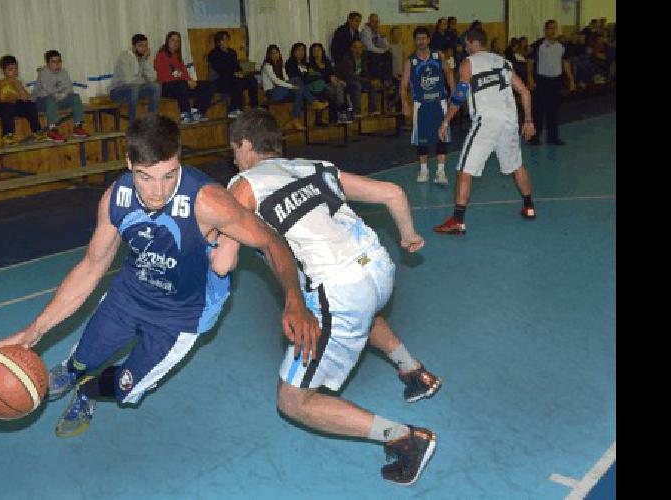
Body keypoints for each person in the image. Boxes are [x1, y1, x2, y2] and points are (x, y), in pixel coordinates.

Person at [0, 114, 320, 439]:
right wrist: (32, 333)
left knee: (126, 386)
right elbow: (91, 267)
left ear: (179, 161)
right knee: (84, 357)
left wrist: (294, 297)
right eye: (146, 176)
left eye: (169, 175)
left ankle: (89, 391)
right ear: (129, 164)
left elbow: (271, 241)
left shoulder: (209, 202)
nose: (158, 191)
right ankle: (74, 370)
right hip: (128, 296)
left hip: (182, 317)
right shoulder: (117, 199)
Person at [217, 109, 442, 486]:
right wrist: (407, 237)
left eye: (234, 151)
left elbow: (223, 262)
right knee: (363, 312)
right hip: (379, 266)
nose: (234, 159)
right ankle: (414, 372)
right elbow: (393, 193)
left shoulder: (243, 185)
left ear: (246, 146)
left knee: (294, 400)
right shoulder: (316, 166)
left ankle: (404, 439)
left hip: (338, 286)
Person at [433, 28, 537, 236]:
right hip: (509, 121)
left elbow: (460, 95)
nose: (464, 47)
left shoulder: (468, 63)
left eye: (466, 44)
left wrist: (445, 121)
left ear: (472, 43)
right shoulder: (503, 62)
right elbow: (525, 91)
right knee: (516, 165)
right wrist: (528, 120)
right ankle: (529, 206)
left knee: (465, 169)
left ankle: (458, 221)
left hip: (486, 122)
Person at [399, 27, 455, 185]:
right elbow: (403, 85)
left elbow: (449, 73)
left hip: (440, 103)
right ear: (415, 41)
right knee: (421, 139)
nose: (421, 41)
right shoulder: (411, 61)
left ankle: (441, 171)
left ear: (429, 40)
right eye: (418, 38)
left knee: (441, 136)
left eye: (424, 38)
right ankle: (423, 169)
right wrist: (405, 103)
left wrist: (453, 92)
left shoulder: (438, 56)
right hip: (421, 104)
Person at [526, 20, 576, 145]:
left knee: (553, 110)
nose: (553, 31)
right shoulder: (538, 45)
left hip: (555, 81)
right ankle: (534, 137)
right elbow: (530, 63)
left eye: (555, 28)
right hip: (541, 81)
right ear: (546, 30)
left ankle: (552, 138)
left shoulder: (561, 46)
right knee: (538, 110)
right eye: (550, 28)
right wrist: (530, 78)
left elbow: (565, 63)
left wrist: (571, 79)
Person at [155, 31, 216, 124]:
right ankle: (185, 114)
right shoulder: (161, 56)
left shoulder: (178, 57)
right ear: (167, 41)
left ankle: (197, 112)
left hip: (181, 85)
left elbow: (185, 74)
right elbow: (166, 77)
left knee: (208, 85)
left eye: (178, 41)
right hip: (166, 87)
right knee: (181, 84)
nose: (175, 43)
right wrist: (186, 81)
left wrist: (191, 81)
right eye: (173, 40)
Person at [260, 44, 323, 131]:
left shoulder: (281, 66)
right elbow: (276, 81)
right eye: (272, 53)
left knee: (298, 91)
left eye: (276, 53)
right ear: (269, 55)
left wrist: (293, 87)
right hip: (272, 93)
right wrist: (291, 86)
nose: (275, 55)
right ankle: (314, 102)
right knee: (297, 80)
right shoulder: (267, 66)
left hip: (283, 91)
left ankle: (296, 120)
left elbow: (286, 79)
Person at [33, 50, 90, 142]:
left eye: (59, 61)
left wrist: (63, 94)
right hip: (42, 101)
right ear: (48, 63)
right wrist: (59, 94)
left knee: (75, 97)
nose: (57, 64)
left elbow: (69, 88)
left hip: (58, 99)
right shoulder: (43, 73)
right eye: (53, 61)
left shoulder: (64, 72)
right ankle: (52, 130)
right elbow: (48, 90)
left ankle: (78, 127)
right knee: (50, 99)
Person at [0, 55, 46, 146]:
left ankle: (37, 131)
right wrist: (10, 80)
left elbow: (26, 98)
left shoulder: (19, 80)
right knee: (7, 107)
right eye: (11, 69)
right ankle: (8, 135)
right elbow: (0, 94)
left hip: (14, 105)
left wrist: (19, 87)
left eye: (16, 69)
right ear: (3, 70)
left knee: (30, 105)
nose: (14, 71)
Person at [109, 34, 161, 124]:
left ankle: (151, 120)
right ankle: (132, 123)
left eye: (145, 46)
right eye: (140, 46)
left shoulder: (142, 58)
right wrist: (144, 80)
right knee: (134, 87)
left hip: (135, 91)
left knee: (156, 87)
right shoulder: (124, 57)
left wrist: (144, 60)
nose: (144, 49)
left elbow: (153, 77)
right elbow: (128, 81)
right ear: (133, 47)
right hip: (117, 92)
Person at [208, 31, 259, 118]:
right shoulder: (214, 54)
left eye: (228, 39)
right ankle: (233, 109)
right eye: (224, 39)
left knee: (252, 79)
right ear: (219, 42)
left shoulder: (232, 52)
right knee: (236, 81)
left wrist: (242, 72)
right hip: (219, 80)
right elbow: (220, 69)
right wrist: (234, 74)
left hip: (234, 77)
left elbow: (237, 66)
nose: (227, 41)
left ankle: (254, 106)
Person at [286, 42, 333, 127]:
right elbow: (295, 77)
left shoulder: (305, 64)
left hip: (303, 87)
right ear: (294, 52)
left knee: (319, 88)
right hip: (292, 88)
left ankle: (328, 116)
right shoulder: (290, 62)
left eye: (303, 50)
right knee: (299, 82)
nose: (301, 52)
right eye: (298, 50)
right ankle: (314, 103)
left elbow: (306, 78)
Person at [308, 43, 352, 124]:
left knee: (341, 86)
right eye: (314, 51)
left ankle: (343, 110)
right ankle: (342, 108)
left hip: (330, 85)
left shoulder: (326, 62)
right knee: (341, 92)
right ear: (311, 53)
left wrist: (338, 80)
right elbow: (316, 77)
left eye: (318, 50)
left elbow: (332, 74)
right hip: (320, 86)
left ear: (322, 51)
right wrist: (329, 78)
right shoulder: (310, 64)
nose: (317, 52)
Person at [335, 40, 380, 117]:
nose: (357, 50)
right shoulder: (347, 59)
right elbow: (351, 76)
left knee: (373, 85)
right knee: (357, 85)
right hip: (346, 83)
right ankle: (356, 111)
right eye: (355, 47)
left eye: (360, 47)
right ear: (351, 48)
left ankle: (372, 110)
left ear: (363, 48)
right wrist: (369, 81)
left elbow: (365, 73)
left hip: (359, 81)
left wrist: (373, 80)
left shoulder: (363, 58)